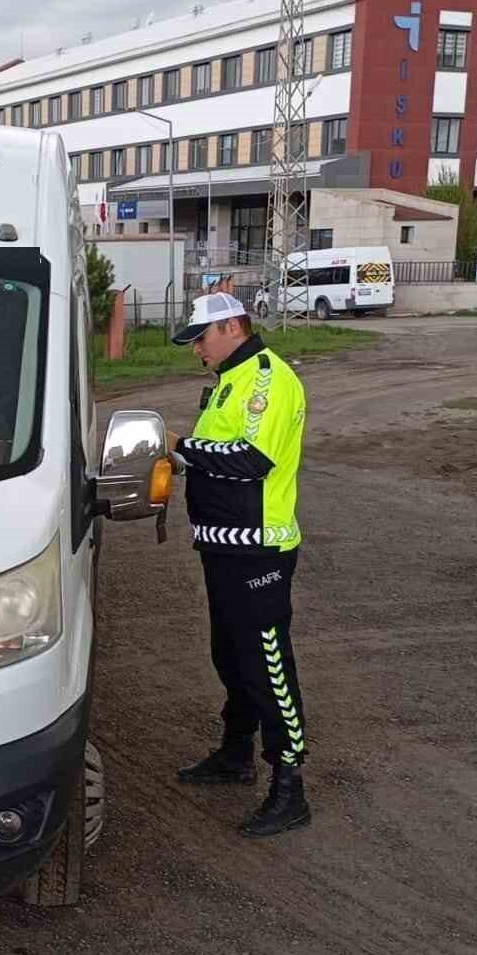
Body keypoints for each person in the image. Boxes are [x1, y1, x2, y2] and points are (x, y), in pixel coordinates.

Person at [166, 291, 311, 838]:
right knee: (230, 655)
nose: (196, 349)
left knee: (268, 663)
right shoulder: (231, 379)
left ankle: (290, 784)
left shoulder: (269, 379)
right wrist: (182, 460)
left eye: (200, 337)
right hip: (224, 545)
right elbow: (215, 454)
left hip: (259, 549)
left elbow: (252, 459)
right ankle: (235, 754)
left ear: (230, 326)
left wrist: (178, 445)